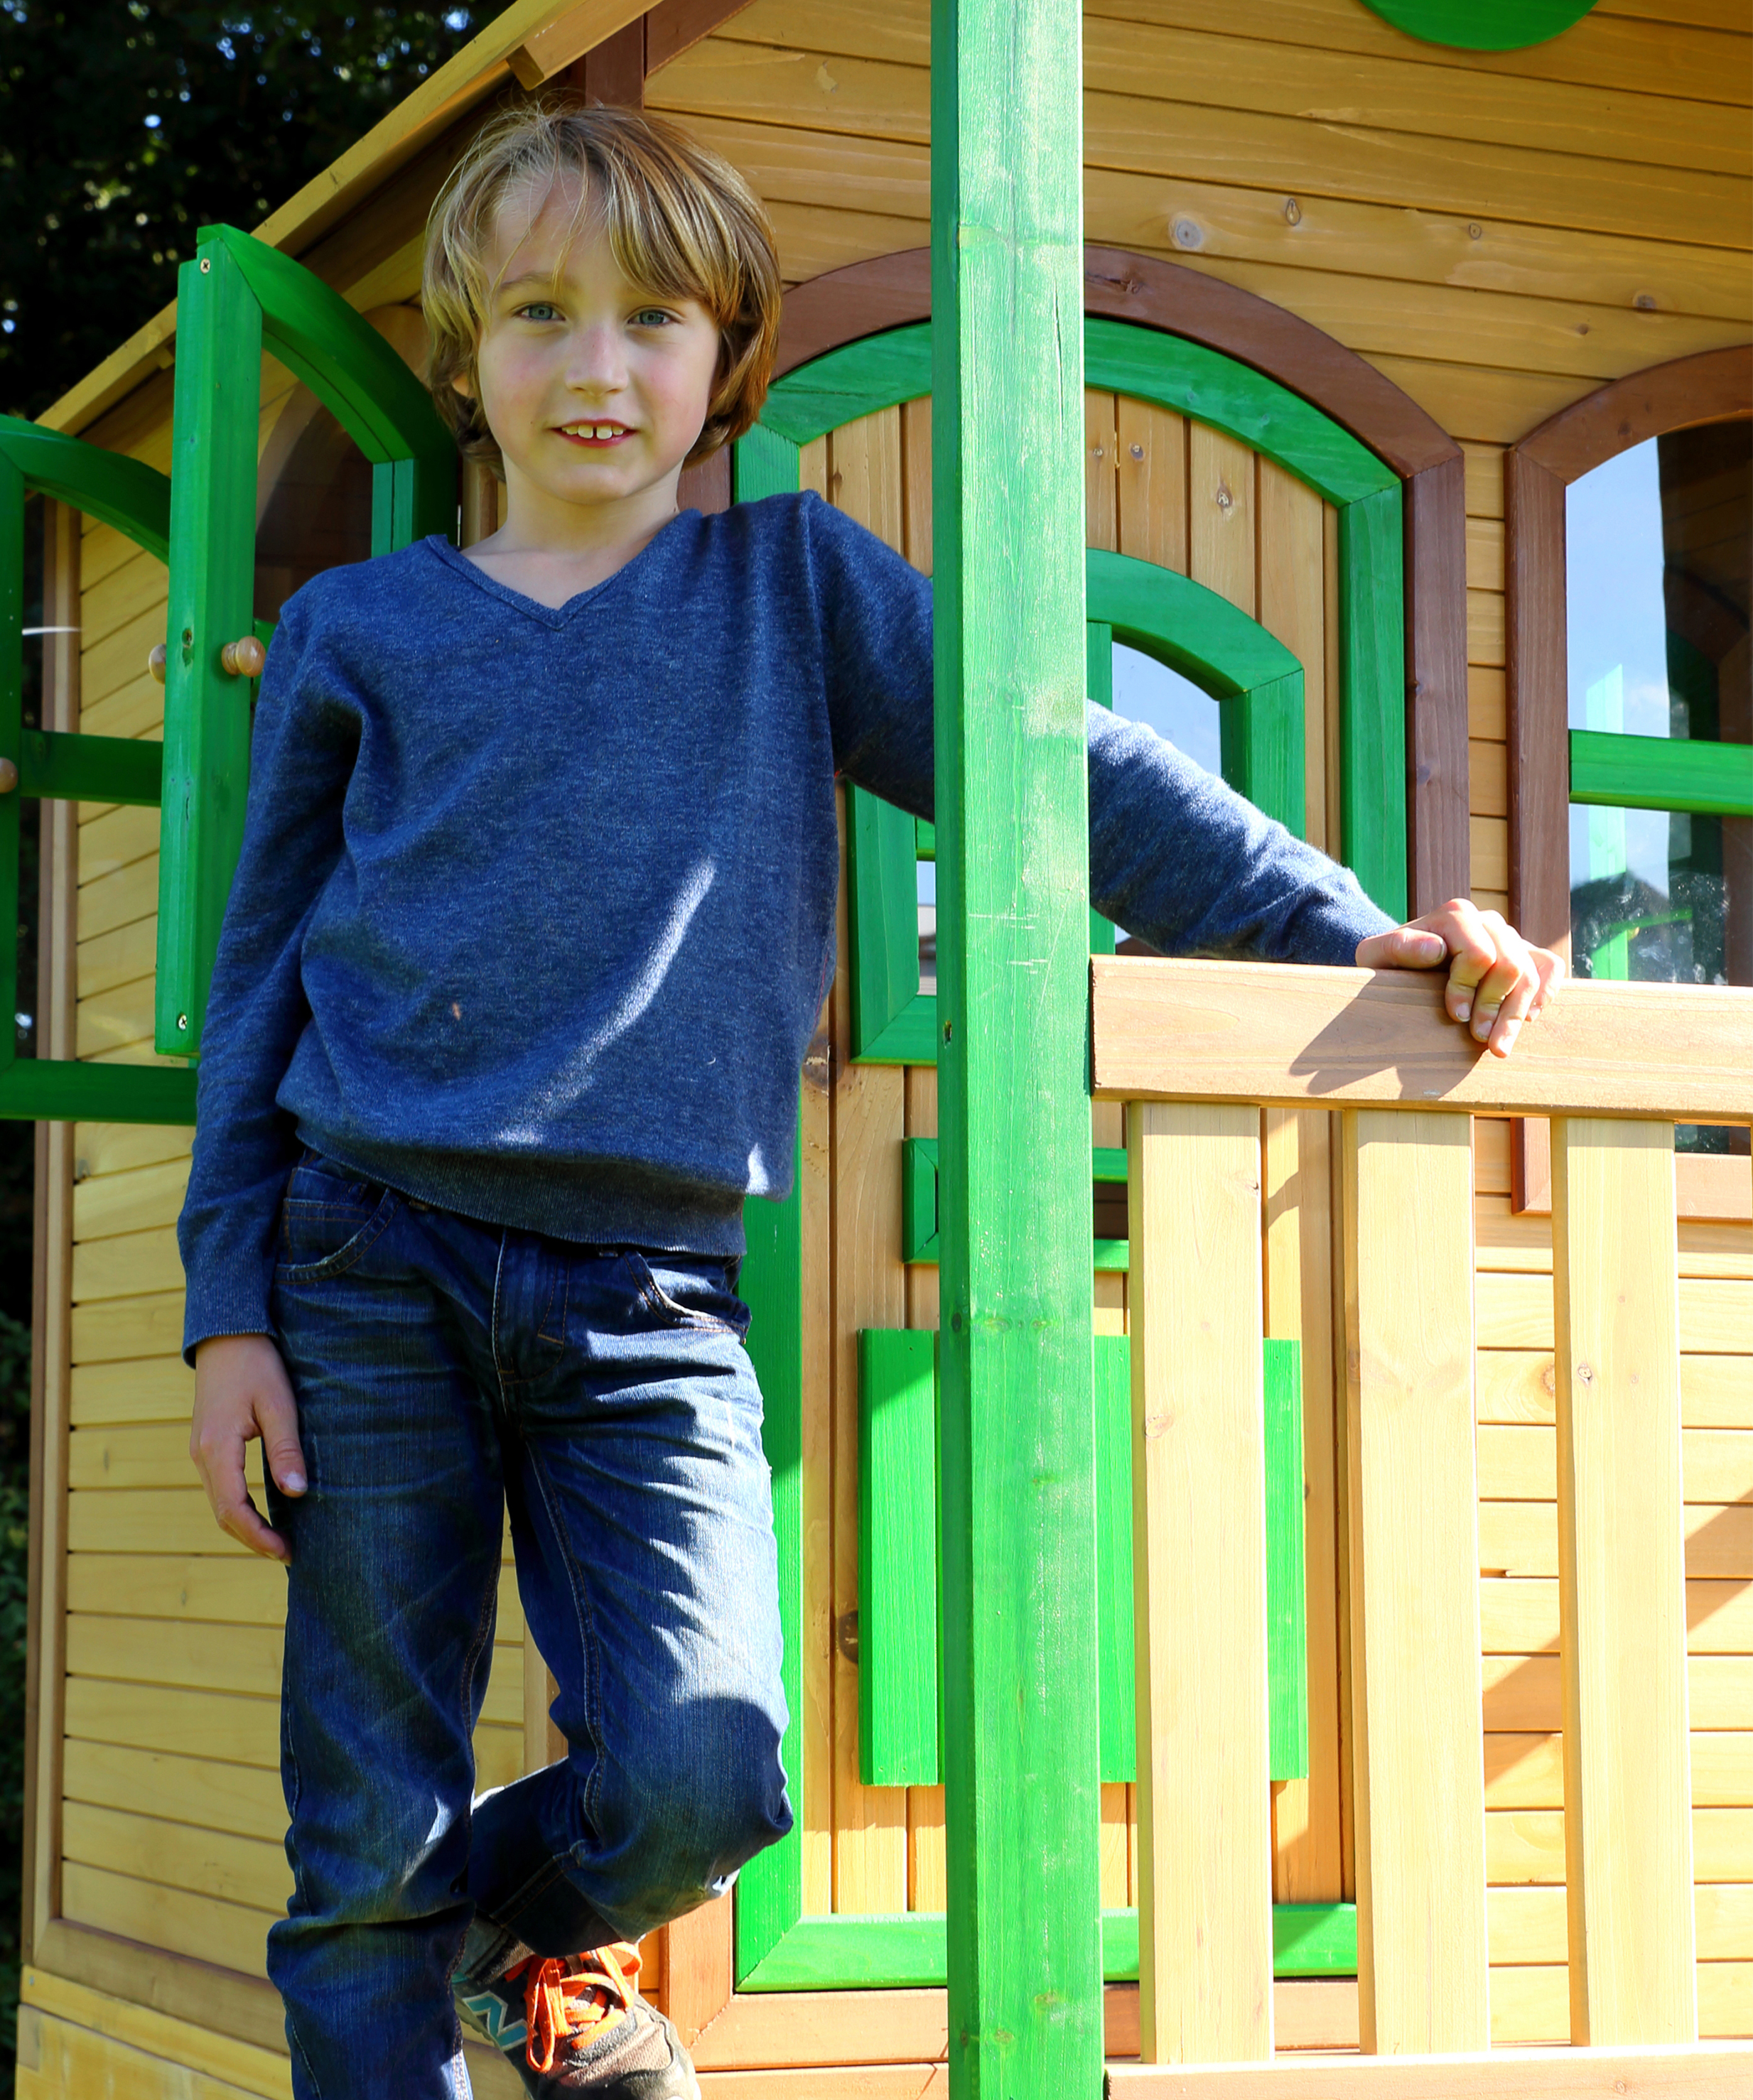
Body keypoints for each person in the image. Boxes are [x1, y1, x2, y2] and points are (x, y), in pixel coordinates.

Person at [178, 104, 1563, 2100]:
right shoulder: (358, 635)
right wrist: (231, 1307)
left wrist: (1334, 934)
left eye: (654, 318)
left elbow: (1059, 764)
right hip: (360, 1258)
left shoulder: (792, 587)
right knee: (358, 1821)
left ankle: (491, 1930)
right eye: (544, 316)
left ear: (724, 359)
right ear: (469, 348)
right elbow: (258, 991)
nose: (598, 366)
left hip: (646, 1294)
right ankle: (407, 1941)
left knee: (707, 1774)